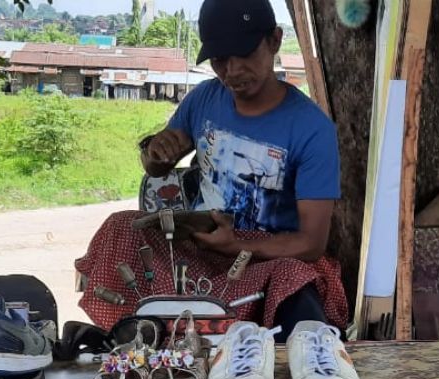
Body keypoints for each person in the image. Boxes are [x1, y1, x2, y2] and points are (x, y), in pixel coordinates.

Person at [75, 0, 347, 341]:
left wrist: (236, 246)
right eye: (220, 59)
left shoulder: (312, 129)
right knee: (120, 228)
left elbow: (311, 244)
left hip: (265, 260)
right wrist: (156, 155)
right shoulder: (204, 99)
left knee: (294, 276)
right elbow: (155, 166)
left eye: (244, 53)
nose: (231, 70)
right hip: (201, 252)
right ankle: (132, 338)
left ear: (275, 41)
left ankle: (253, 347)